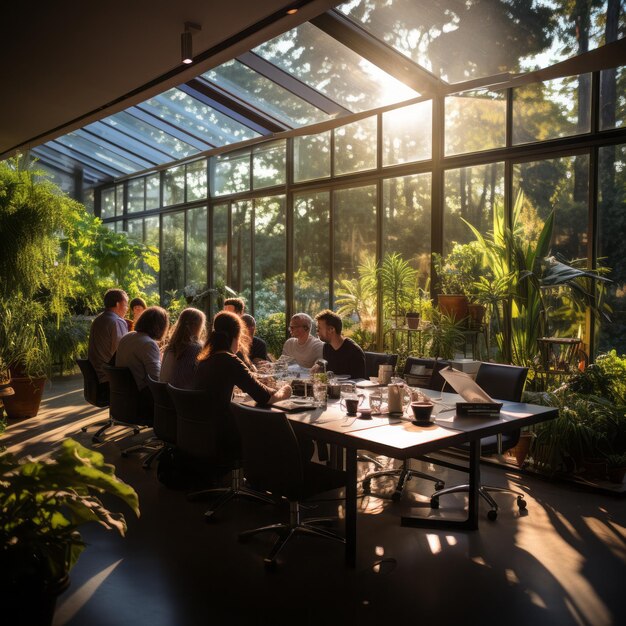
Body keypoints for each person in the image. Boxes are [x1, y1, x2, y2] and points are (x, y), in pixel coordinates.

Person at [192, 311, 291, 454]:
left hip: (203, 432)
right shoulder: (229, 360)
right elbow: (265, 397)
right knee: (284, 437)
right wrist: (284, 391)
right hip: (225, 435)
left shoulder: (205, 359)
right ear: (235, 336)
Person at [116, 306, 169, 418]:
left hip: (124, 395)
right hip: (143, 395)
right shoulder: (148, 343)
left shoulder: (127, 336)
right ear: (160, 326)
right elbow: (156, 378)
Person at [87, 288, 129, 386]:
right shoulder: (117, 322)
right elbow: (122, 354)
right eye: (126, 304)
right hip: (109, 378)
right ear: (118, 304)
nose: (127, 308)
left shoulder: (97, 320)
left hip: (95, 377)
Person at [160, 308, 207, 389]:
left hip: (165, 395)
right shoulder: (197, 348)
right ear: (198, 326)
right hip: (182, 397)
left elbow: (163, 378)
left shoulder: (170, 347)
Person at [315, 309, 366, 379]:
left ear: (331, 329)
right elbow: (329, 376)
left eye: (319, 329)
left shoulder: (354, 351)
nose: (317, 332)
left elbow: (359, 381)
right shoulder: (327, 347)